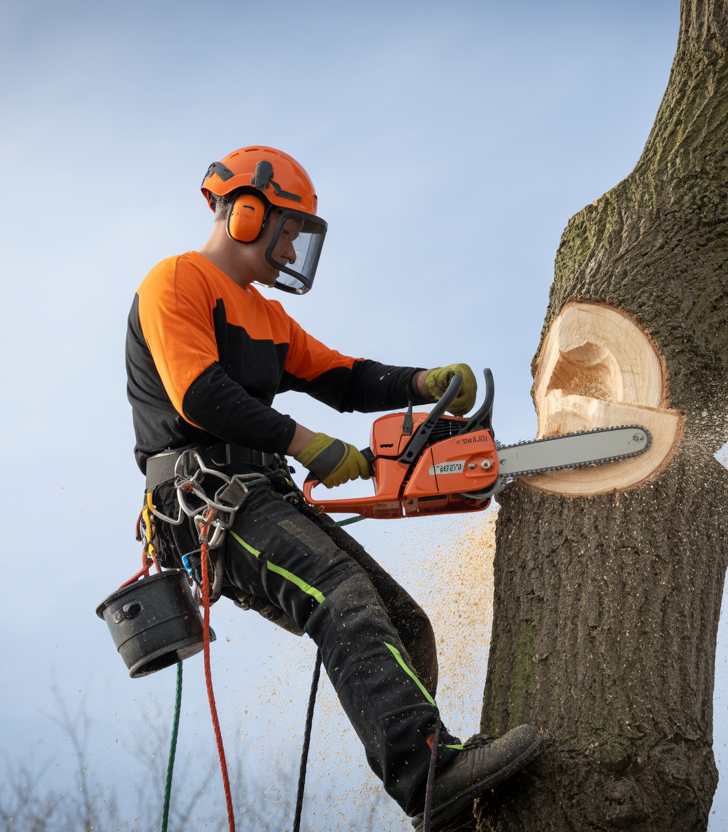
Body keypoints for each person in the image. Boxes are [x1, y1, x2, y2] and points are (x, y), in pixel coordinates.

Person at [124, 145, 541, 826]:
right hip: (206, 499)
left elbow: (342, 377)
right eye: (287, 229)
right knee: (341, 596)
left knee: (405, 624)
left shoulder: (266, 316)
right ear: (248, 211)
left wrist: (421, 383)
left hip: (264, 492)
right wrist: (307, 444)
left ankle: (446, 795)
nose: (292, 246)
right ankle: (427, 777)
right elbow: (200, 394)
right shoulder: (176, 281)